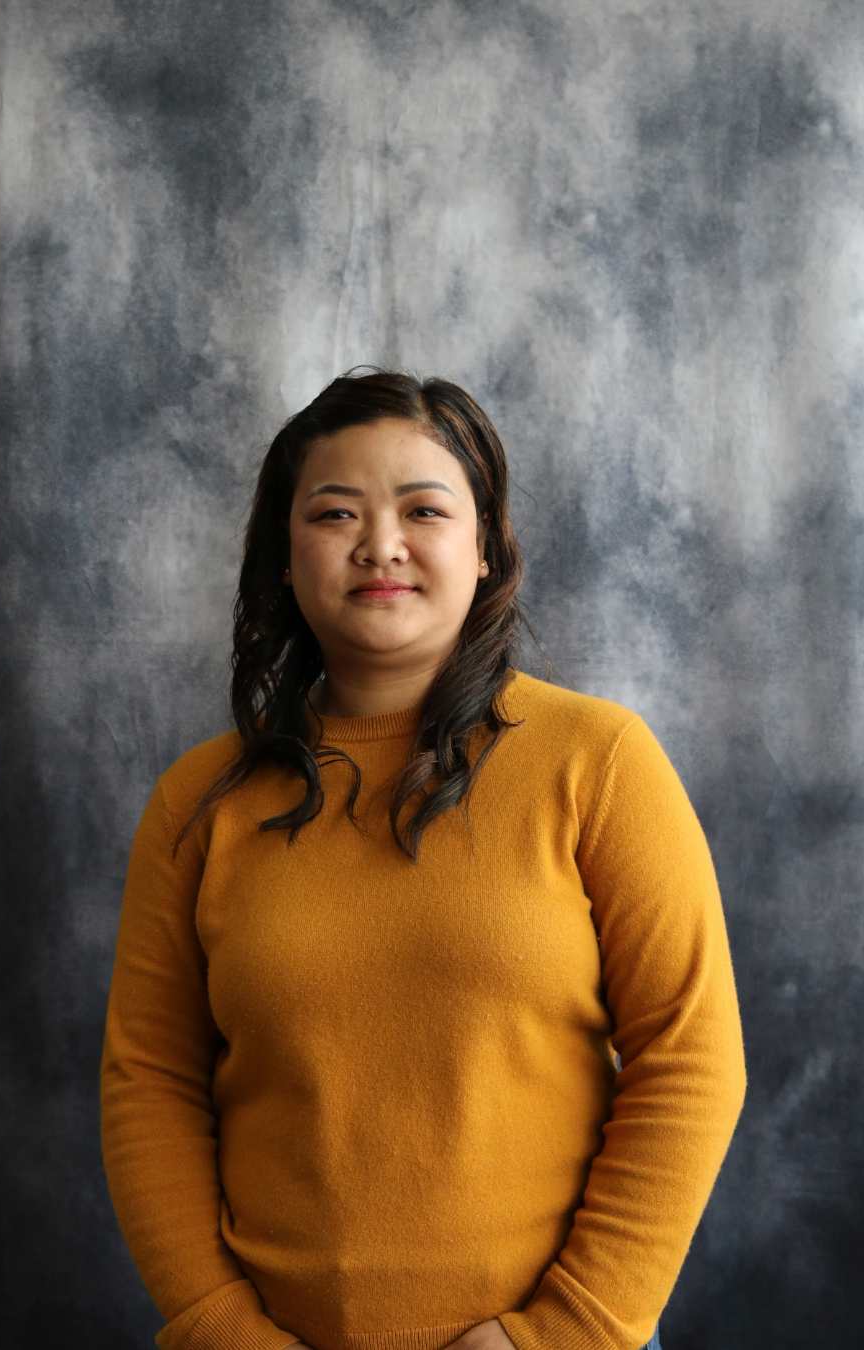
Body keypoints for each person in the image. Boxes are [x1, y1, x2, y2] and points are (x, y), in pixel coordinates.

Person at [100, 370, 746, 1350]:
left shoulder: (599, 762)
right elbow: (150, 1082)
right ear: (284, 556)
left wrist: (559, 1333)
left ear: (484, 546)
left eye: (423, 509)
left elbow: (692, 1062)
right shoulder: (199, 802)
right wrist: (218, 1327)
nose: (381, 545)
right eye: (334, 512)